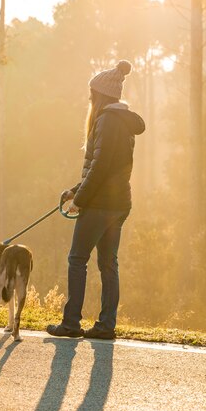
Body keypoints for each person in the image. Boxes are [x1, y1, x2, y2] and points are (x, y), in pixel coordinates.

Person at [47, 60, 145, 339]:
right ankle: (105, 326)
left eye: (92, 93)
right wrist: (75, 190)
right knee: (108, 263)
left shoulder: (106, 121)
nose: (89, 97)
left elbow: (100, 167)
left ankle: (71, 323)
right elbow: (106, 168)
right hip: (118, 204)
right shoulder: (122, 122)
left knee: (77, 259)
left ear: (100, 95)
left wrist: (81, 199)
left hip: (101, 205)